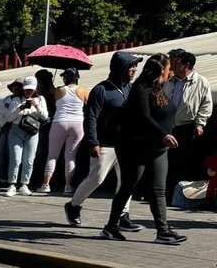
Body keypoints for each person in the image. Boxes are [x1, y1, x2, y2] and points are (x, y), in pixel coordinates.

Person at [103, 55, 185, 244]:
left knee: (158, 190)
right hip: (135, 148)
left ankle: (163, 232)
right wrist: (163, 134)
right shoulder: (141, 89)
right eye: (168, 67)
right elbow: (143, 117)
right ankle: (111, 227)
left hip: (158, 149)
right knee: (128, 186)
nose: (171, 70)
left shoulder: (160, 89)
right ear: (160, 69)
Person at [64, 52, 142, 231]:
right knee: (96, 178)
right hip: (105, 143)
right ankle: (73, 206)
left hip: (126, 144)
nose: (134, 70)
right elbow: (90, 117)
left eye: (135, 66)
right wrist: (93, 142)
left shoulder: (130, 88)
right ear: (120, 67)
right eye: (131, 66)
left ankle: (123, 215)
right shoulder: (101, 90)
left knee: (126, 180)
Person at [163, 49, 212, 197]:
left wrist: (200, 123)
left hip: (187, 127)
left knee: (185, 162)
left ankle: (182, 194)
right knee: (168, 162)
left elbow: (206, 104)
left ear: (187, 65)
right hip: (169, 127)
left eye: (178, 63)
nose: (173, 66)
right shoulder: (170, 82)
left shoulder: (201, 82)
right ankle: (168, 192)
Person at [38, 69, 87, 194]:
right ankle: (68, 185)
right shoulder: (83, 91)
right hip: (77, 123)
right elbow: (88, 104)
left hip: (59, 122)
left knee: (52, 156)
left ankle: (46, 184)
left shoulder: (59, 90)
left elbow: (53, 99)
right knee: (70, 157)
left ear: (65, 78)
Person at [1, 77, 47, 196]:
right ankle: (12, 184)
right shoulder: (16, 100)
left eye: (31, 90)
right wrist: (20, 108)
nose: (28, 92)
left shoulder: (40, 99)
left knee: (29, 159)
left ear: (35, 89)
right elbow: (9, 118)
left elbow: (45, 116)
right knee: (16, 158)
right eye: (26, 89)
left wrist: (36, 106)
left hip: (32, 131)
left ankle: (24, 184)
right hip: (16, 130)